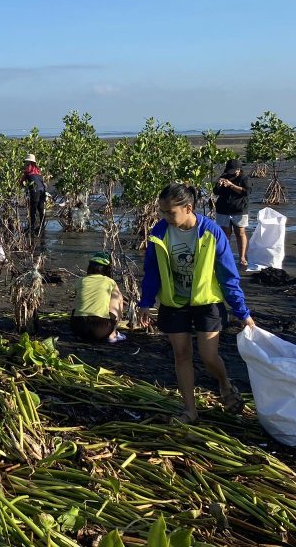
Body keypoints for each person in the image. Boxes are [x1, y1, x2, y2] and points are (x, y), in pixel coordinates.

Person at [140, 183, 256, 424]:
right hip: (174, 302)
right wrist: (146, 302)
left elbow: (228, 275)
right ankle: (189, 411)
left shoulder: (212, 232)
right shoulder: (159, 232)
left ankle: (224, 384)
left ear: (188, 208)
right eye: (162, 211)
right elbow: (151, 271)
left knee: (208, 355)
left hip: (207, 301)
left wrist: (242, 312)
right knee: (181, 355)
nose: (165, 217)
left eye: (170, 212)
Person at [70, 252, 125, 344]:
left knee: (78, 299)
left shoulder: (80, 281)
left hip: (78, 327)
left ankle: (81, 335)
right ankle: (112, 334)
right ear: (108, 269)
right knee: (118, 297)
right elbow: (117, 299)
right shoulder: (110, 282)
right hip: (100, 330)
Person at [214, 159, 251, 268]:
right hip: (223, 209)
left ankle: (242, 257)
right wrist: (219, 185)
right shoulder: (224, 175)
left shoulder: (244, 178)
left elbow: (246, 192)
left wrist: (231, 185)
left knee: (240, 233)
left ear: (238, 170)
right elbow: (216, 192)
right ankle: (226, 257)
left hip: (239, 209)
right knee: (226, 234)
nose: (230, 173)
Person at [21, 154, 46, 236]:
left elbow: (21, 182)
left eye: (26, 161)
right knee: (41, 209)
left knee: (33, 210)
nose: (25, 163)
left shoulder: (28, 169)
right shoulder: (38, 170)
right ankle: (42, 226)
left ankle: (32, 228)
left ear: (29, 162)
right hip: (42, 190)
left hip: (35, 191)